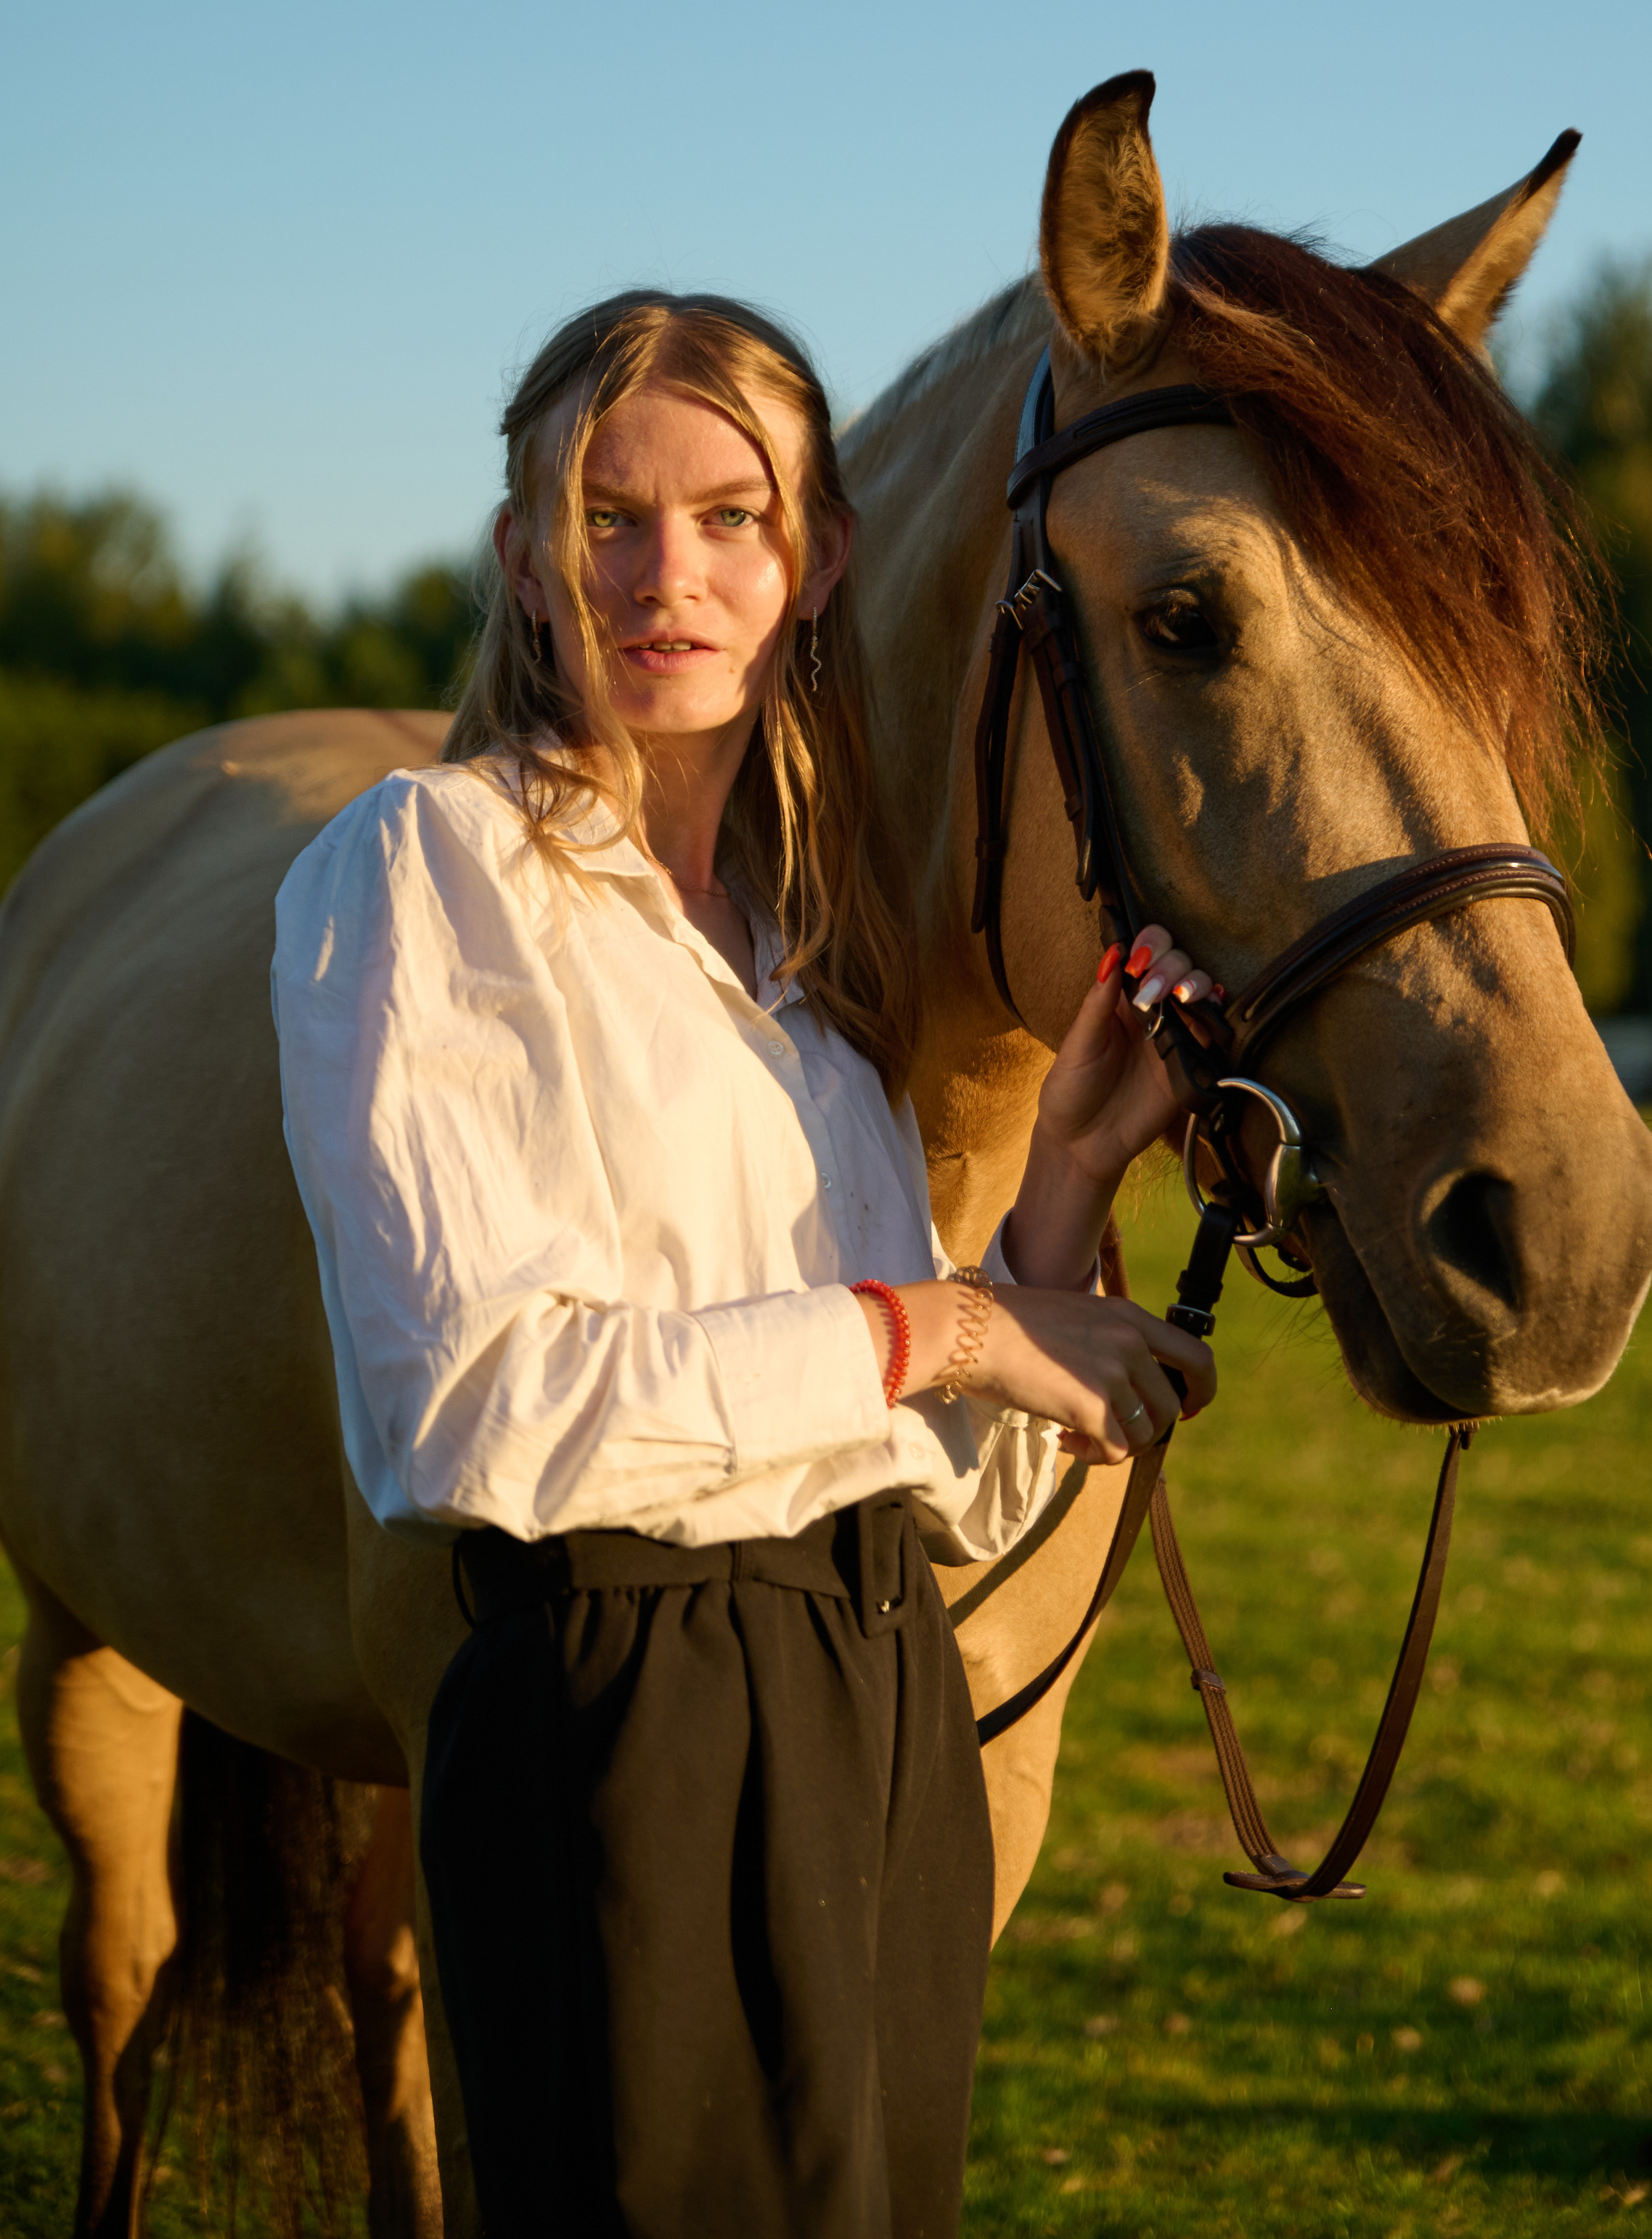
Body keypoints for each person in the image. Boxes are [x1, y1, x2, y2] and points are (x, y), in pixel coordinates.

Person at [271, 291, 1218, 2239]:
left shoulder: (813, 960)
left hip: (878, 1711)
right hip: (623, 1728)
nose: (667, 575)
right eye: (608, 516)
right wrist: (942, 1322)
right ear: (526, 560)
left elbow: (918, 1479)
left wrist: (1054, 1203)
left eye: (731, 518)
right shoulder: (425, 874)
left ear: (822, 561)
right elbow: (473, 1411)